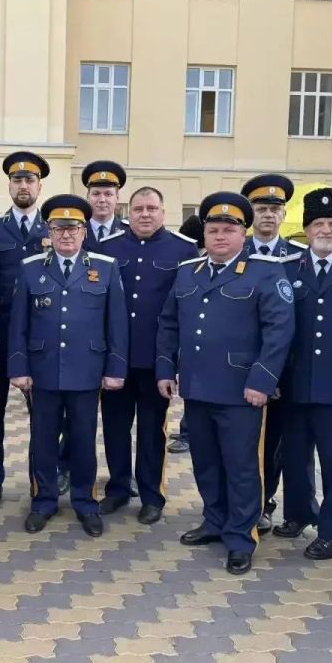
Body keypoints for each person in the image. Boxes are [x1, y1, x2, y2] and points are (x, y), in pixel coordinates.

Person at [156, 191, 295, 575]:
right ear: (204, 234)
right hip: (197, 387)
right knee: (206, 461)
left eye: (228, 230)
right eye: (213, 230)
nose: (219, 236)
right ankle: (215, 521)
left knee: (242, 466)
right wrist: (166, 370)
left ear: (242, 234)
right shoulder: (189, 272)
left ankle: (240, 536)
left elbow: (279, 331)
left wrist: (262, 381)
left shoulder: (265, 272)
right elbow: (169, 324)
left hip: (241, 391)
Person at [8, 194, 128, 537]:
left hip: (87, 371)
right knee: (42, 440)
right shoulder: (31, 267)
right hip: (43, 370)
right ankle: (43, 501)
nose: (66, 235)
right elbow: (18, 324)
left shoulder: (105, 267)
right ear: (49, 231)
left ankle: (85, 502)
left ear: (83, 231)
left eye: (73, 228)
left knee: (83, 440)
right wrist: (18, 367)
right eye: (59, 228)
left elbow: (116, 323)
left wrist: (115, 369)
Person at [98, 187, 197, 523]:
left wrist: (173, 362)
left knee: (152, 431)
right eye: (138, 208)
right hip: (116, 358)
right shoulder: (108, 248)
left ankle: (152, 495)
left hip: (157, 360)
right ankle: (118, 488)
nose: (144, 214)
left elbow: (184, 310)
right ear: (129, 212)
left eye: (151, 208)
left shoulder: (183, 249)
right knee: (115, 427)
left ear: (163, 212)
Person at [276, 187, 332, 560]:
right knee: (293, 456)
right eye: (319, 224)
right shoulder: (286, 268)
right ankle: (298, 513)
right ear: (306, 229)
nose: (326, 230)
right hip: (293, 383)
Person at [0, 151, 51, 513]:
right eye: (17, 180)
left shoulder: (53, 227)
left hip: (40, 340)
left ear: (39, 186)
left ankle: (40, 482)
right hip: (1, 337)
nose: (24, 185)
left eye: (29, 180)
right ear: (9, 185)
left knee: (44, 417)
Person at [240, 173, 306, 535]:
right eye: (261, 208)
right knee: (241, 443)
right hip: (240, 371)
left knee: (275, 443)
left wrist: (275, 373)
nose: (268, 215)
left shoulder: (298, 259)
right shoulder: (236, 253)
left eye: (274, 209)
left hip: (287, 372)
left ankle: (266, 502)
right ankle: (238, 503)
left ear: (284, 215)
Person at [168, 214, 205, 455]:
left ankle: (188, 434)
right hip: (188, 341)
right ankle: (186, 431)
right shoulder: (191, 267)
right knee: (191, 388)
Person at [82, 160, 130, 251]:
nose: (102, 200)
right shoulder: (75, 231)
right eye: (96, 194)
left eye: (108, 194)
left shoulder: (130, 232)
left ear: (117, 197)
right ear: (88, 196)